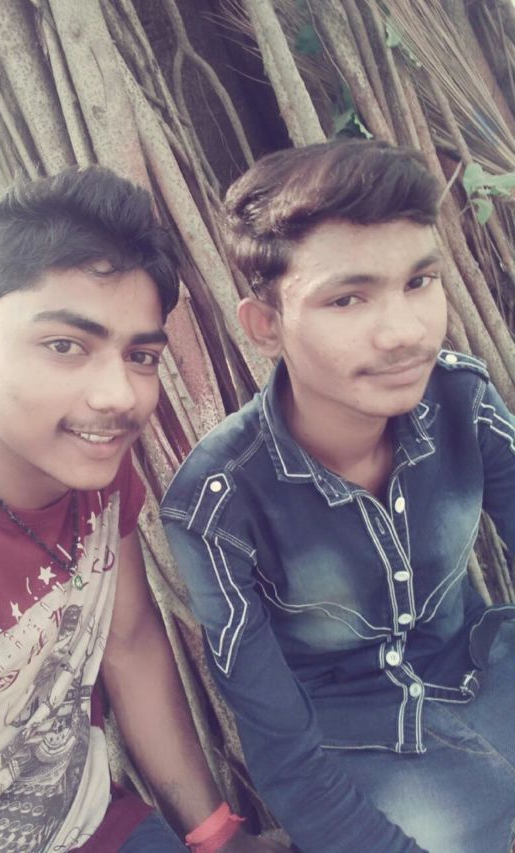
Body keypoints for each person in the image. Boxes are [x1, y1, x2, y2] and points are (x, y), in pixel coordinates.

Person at [0, 167, 287, 853]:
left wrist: (218, 836)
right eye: (65, 345)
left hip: (99, 824)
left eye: (141, 355)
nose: (118, 396)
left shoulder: (95, 473)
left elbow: (128, 642)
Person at [160, 139, 515, 853]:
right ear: (265, 326)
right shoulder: (216, 504)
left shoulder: (463, 398)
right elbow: (283, 751)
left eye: (419, 281)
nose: (405, 333)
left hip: (491, 674)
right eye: (347, 298)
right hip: (370, 754)